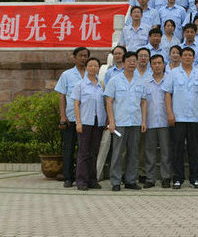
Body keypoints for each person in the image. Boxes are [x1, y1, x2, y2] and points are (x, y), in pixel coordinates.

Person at [105, 52, 147, 191]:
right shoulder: (115, 80)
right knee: (118, 153)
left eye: (134, 61)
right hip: (120, 122)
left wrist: (143, 121)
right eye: (129, 61)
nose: (132, 63)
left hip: (135, 121)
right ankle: (116, 181)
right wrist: (111, 121)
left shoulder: (140, 81)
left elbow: (143, 102)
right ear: (123, 63)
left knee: (133, 153)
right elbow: (109, 101)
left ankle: (130, 180)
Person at [165, 47, 198, 189]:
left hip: (194, 117)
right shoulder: (173, 73)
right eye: (185, 55)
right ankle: (178, 178)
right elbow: (167, 94)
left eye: (190, 55)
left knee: (194, 149)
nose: (188, 57)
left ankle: (195, 178)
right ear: (181, 57)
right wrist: (170, 113)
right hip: (178, 117)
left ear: (194, 58)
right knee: (177, 149)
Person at [55, 46, 89, 187]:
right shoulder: (67, 75)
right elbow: (62, 96)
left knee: (85, 150)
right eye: (80, 55)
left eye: (85, 56)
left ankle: (83, 176)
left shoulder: (92, 74)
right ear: (74, 57)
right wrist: (63, 116)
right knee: (69, 148)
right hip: (71, 117)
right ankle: (68, 177)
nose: (83, 58)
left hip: (87, 118)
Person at [71, 57, 105, 190]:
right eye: (90, 65)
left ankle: (92, 180)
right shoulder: (80, 85)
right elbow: (76, 104)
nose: (93, 68)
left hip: (98, 122)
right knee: (83, 152)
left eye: (95, 66)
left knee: (94, 152)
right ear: (86, 68)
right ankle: (81, 181)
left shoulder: (101, 85)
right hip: (85, 121)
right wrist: (78, 122)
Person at [140, 54, 172, 188]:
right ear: (150, 65)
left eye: (159, 63)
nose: (157, 66)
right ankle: (150, 178)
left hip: (166, 121)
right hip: (150, 121)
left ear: (164, 65)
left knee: (166, 151)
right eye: (154, 63)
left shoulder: (170, 80)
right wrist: (143, 121)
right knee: (149, 151)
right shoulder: (145, 82)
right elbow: (142, 102)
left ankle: (166, 177)